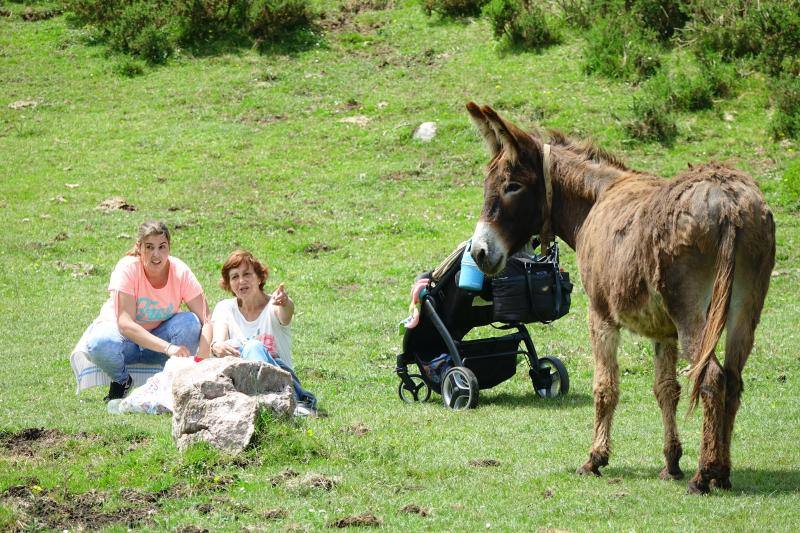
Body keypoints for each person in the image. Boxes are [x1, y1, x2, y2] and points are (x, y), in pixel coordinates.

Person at [83, 221, 211, 401]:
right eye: (149, 247)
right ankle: (121, 381)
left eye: (162, 247)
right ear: (139, 248)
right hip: (125, 341)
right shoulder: (128, 268)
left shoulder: (180, 271)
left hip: (159, 336)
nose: (156, 254)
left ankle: (176, 382)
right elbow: (125, 324)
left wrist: (201, 359)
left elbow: (206, 318)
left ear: (169, 248)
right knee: (99, 343)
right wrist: (168, 347)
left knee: (190, 322)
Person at [210, 250, 317, 414]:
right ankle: (267, 408)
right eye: (234, 277)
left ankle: (282, 403)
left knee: (253, 347)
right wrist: (216, 346)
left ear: (260, 278)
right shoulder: (225, 308)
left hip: (282, 380)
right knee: (235, 346)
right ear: (229, 284)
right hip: (242, 382)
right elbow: (218, 340)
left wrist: (285, 302)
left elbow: (285, 313)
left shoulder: (274, 305)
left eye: (247, 274)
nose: (241, 281)